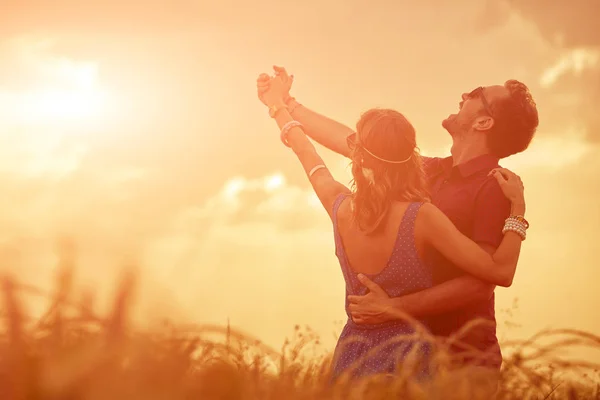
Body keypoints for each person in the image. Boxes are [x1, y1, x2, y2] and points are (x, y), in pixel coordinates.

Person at [256, 73, 529, 380]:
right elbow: (351, 143)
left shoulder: (494, 186)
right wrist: (288, 103)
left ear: (483, 123)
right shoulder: (429, 172)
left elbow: (485, 280)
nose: (466, 93)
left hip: (462, 359)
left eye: (478, 92)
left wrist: (396, 307)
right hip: (407, 356)